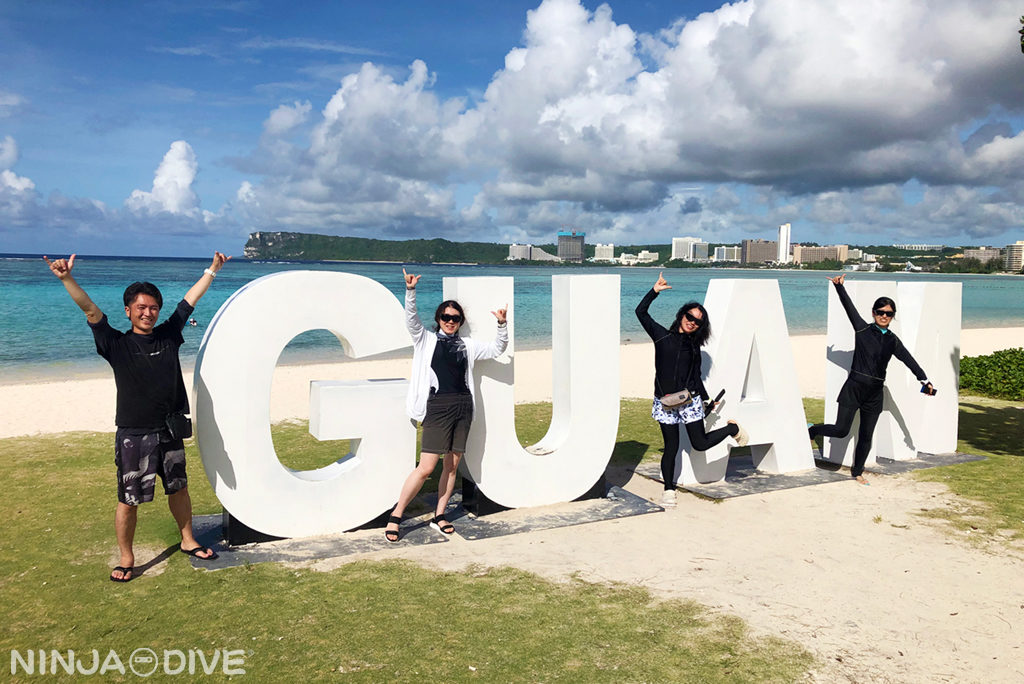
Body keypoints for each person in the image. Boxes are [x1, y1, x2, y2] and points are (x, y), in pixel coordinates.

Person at [44, 251, 231, 582]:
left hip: (170, 430)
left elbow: (190, 300)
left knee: (179, 489)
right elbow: (89, 309)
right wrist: (66, 279)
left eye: (153, 307)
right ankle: (127, 557)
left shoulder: (169, 334)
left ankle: (188, 540)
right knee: (128, 501)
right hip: (134, 434)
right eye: (141, 307)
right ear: (128, 311)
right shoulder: (114, 343)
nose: (148, 312)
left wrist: (213, 270)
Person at [385, 268, 508, 542]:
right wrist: (410, 292)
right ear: (438, 319)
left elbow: (497, 349)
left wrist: (502, 324)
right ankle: (397, 514)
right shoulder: (425, 339)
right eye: (445, 317)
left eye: (455, 318)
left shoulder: (468, 345)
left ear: (460, 321)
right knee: (427, 466)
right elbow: (411, 320)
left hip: (463, 406)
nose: (450, 321)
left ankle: (439, 516)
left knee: (452, 466)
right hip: (437, 406)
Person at [808, 274, 934, 485]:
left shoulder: (893, 341)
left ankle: (858, 472)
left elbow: (908, 360)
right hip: (854, 388)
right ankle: (812, 430)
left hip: (875, 394)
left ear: (893, 316)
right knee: (841, 430)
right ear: (874, 313)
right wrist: (840, 287)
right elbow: (849, 309)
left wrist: (924, 380)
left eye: (889, 314)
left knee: (866, 435)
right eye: (880, 312)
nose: (884, 316)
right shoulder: (863, 329)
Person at [636, 273, 747, 508]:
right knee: (671, 448)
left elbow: (695, 375)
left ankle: (732, 428)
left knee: (700, 443)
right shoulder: (661, 336)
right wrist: (654, 291)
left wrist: (706, 400)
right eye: (689, 317)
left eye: (697, 321)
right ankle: (669, 489)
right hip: (665, 402)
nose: (692, 322)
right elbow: (640, 313)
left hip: (689, 400)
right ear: (681, 315)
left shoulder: (693, 346)